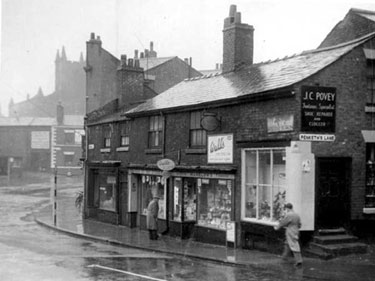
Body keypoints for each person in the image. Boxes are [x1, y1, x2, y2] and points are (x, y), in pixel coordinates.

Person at [274, 202, 303, 267]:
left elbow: (283, 222)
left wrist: (277, 228)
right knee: (287, 244)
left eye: (286, 208)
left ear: (287, 208)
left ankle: (299, 260)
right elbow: (300, 224)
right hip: (296, 231)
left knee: (294, 245)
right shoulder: (297, 215)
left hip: (290, 231)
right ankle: (284, 257)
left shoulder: (289, 215)